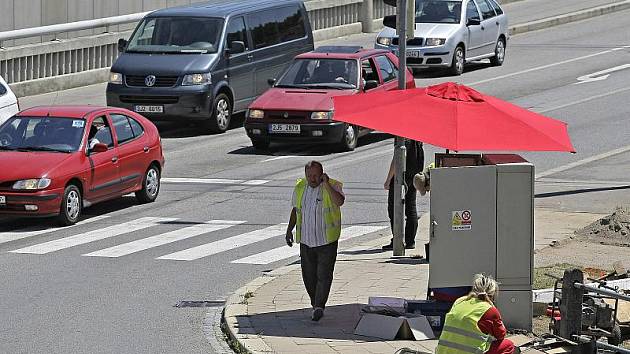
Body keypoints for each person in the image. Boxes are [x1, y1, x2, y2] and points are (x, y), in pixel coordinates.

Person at [285, 161, 345, 321]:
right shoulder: (300, 188)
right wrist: (289, 230)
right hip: (306, 240)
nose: (312, 179)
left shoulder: (332, 185)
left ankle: (319, 306)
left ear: (322, 174)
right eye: (309, 175)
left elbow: (339, 201)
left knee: (324, 275)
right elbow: (295, 210)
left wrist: (326, 185)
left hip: (327, 240)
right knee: (308, 275)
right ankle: (315, 303)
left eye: (315, 175)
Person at [436, 274, 515, 354]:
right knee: (508, 345)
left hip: (442, 352)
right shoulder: (489, 310)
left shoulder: (460, 301)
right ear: (493, 293)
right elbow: (501, 335)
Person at [383, 139, 424, 250]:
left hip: (401, 176)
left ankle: (397, 240)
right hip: (413, 175)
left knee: (393, 209)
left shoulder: (402, 137)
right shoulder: (416, 136)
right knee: (411, 208)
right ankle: (410, 241)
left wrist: (388, 180)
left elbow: (397, 159)